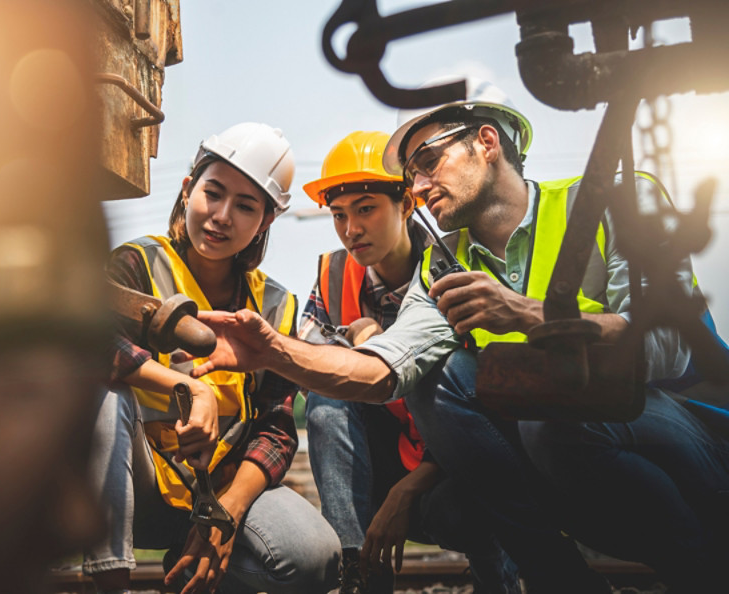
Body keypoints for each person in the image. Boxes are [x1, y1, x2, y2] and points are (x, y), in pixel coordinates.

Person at [183, 78, 728, 592]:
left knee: (548, 419)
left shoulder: (615, 200)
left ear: (486, 142)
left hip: (681, 425)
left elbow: (666, 348)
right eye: (411, 174)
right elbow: (383, 370)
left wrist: (526, 314)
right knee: (445, 381)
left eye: (427, 162)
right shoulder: (444, 270)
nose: (418, 187)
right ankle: (559, 579)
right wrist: (276, 352)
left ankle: (701, 567)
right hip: (562, 449)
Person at [87, 122, 339, 594]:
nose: (222, 216)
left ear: (265, 221)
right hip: (135, 488)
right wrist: (187, 386)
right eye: (213, 193)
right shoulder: (136, 265)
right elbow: (91, 345)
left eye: (245, 206)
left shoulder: (275, 307)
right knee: (101, 392)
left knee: (314, 559)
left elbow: (276, 425)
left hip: (217, 491)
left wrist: (228, 514)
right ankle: (109, 581)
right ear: (188, 191)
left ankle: (193, 578)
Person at [296, 131, 517, 594]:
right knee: (328, 396)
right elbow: (310, 363)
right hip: (381, 461)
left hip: (453, 468)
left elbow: (487, 403)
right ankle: (358, 573)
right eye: (338, 215)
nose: (350, 229)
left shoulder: (455, 267)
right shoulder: (332, 278)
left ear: (406, 205)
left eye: (365, 208)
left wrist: (409, 489)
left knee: (469, 509)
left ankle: (498, 582)